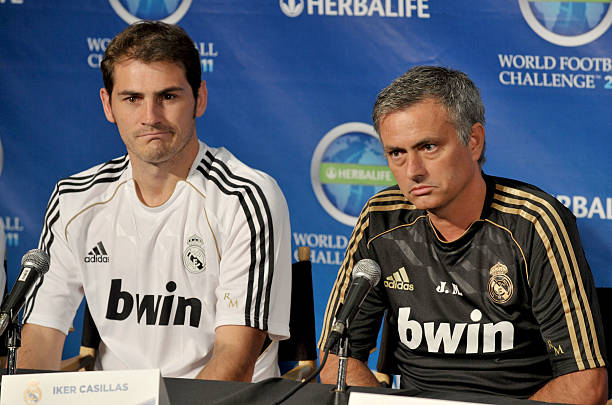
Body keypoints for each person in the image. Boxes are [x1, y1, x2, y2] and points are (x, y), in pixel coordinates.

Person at [18, 21, 291, 382]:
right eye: (132, 98)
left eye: (168, 97)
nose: (151, 117)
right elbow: (40, 334)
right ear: (108, 105)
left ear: (199, 98)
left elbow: (234, 361)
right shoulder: (74, 199)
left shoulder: (245, 198)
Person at [318, 66, 608, 404]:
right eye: (397, 153)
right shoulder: (382, 218)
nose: (412, 171)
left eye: (428, 147)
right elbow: (336, 358)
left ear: (473, 141)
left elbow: (585, 383)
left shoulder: (533, 222)